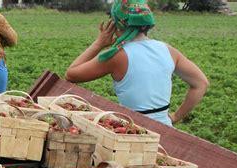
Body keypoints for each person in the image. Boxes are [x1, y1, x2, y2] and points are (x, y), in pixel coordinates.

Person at [65, 0, 209, 126]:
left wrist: (98, 44)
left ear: (116, 24)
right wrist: (175, 117)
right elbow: (201, 83)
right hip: (165, 130)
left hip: (133, 131)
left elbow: (71, 74)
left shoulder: (117, 56)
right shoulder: (167, 50)